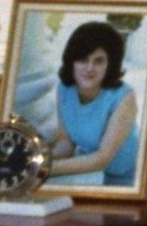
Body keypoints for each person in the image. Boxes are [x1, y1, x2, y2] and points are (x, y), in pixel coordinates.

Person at [39, 18, 140, 185]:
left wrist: (43, 168)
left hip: (126, 182)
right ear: (72, 61)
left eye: (99, 61)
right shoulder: (64, 89)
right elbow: (66, 143)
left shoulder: (124, 96)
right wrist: (38, 159)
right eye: (83, 60)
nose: (89, 68)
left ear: (110, 64)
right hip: (88, 176)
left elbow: (102, 159)